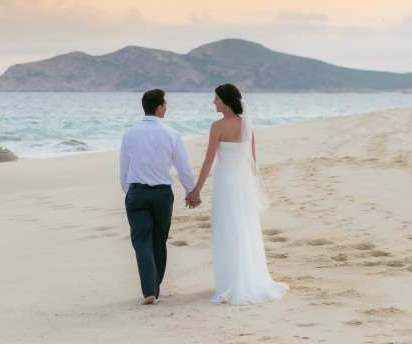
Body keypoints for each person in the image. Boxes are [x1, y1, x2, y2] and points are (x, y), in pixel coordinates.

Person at [187, 84, 288, 305]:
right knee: (244, 228)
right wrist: (251, 188)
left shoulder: (217, 126)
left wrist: (196, 190)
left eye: (216, 99)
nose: (213, 102)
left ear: (226, 101)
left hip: (225, 182)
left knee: (227, 228)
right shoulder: (246, 126)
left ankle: (231, 282)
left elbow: (208, 160)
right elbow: (252, 162)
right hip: (242, 183)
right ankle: (249, 279)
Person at [120, 89, 196, 305]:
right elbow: (183, 168)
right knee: (158, 241)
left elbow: (124, 170)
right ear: (159, 107)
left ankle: (149, 290)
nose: (167, 107)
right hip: (162, 194)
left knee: (141, 241)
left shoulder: (130, 134)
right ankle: (155, 287)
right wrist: (190, 190)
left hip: (137, 192)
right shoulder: (171, 134)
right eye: (165, 104)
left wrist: (129, 193)